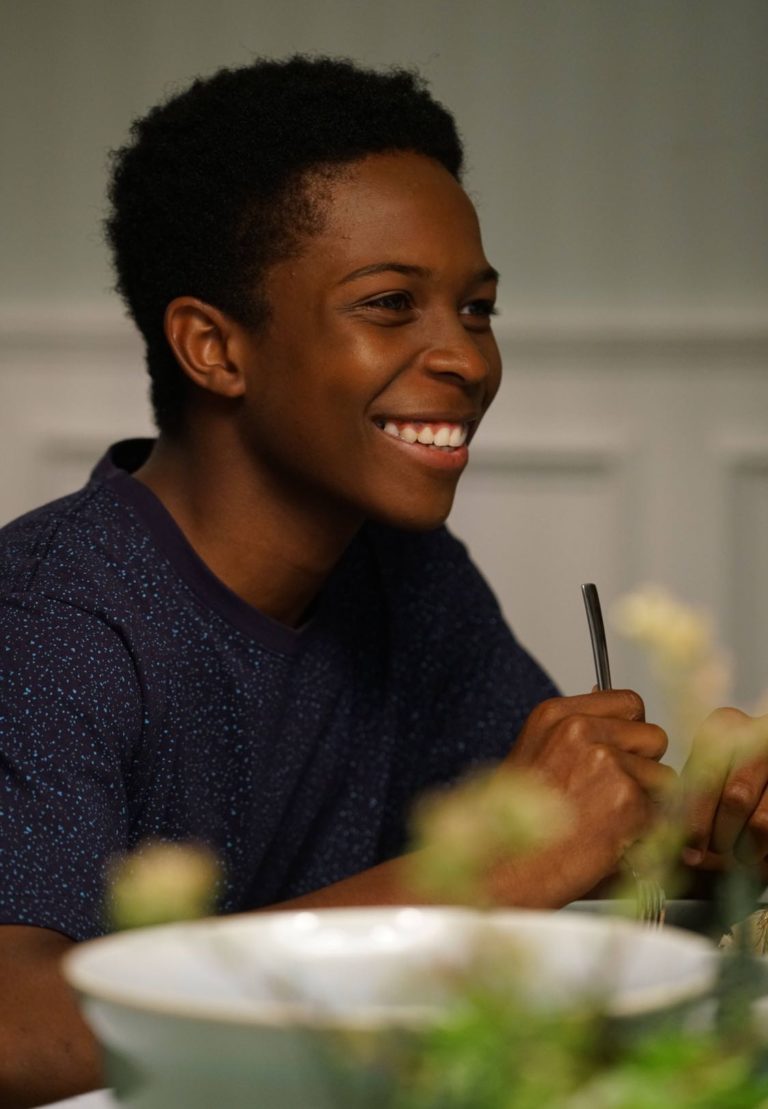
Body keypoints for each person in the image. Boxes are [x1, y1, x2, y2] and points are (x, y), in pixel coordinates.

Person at [0, 55, 763, 1107]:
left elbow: (563, 838)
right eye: (392, 304)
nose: (468, 359)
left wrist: (718, 837)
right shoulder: (49, 621)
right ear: (214, 347)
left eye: (478, 308)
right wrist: (491, 880)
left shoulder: (406, 574)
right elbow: (15, 1028)